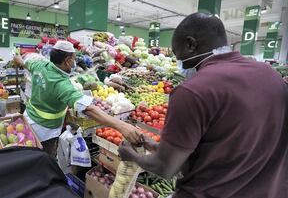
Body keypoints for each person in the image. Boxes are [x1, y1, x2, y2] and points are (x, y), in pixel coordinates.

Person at [118, 13, 288, 198]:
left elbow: (165, 168)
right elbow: (225, 146)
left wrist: (131, 156)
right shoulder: (271, 75)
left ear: (191, 44)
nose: (179, 63)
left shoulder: (193, 91)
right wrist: (157, 147)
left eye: (177, 54)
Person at [14, 41, 140, 157]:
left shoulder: (40, 65)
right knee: (45, 159)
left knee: (29, 154)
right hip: (45, 131)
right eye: (74, 59)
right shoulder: (61, 84)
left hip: (28, 119)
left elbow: (22, 62)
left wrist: (17, 58)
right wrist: (122, 126)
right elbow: (88, 109)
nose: (75, 63)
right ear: (67, 61)